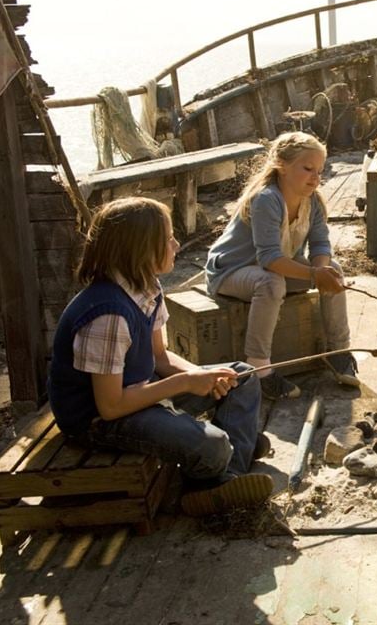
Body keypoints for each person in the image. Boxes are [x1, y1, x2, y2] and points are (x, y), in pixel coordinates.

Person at [47, 197, 272, 517]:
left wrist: (205, 379)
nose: (177, 245)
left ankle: (227, 473)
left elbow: (160, 357)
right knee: (213, 445)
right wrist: (185, 382)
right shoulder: (107, 314)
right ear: (140, 249)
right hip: (98, 420)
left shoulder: (146, 287)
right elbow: (110, 408)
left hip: (139, 389)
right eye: (168, 238)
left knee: (242, 376)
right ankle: (226, 465)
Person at [205, 132, 356, 397]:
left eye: (319, 171)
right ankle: (258, 370)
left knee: (335, 269)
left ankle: (338, 352)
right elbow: (270, 259)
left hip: (273, 269)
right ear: (282, 166)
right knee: (270, 282)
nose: (315, 177)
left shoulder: (313, 201)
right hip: (232, 270)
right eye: (308, 169)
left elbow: (320, 245)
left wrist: (322, 271)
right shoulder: (267, 199)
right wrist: (313, 274)